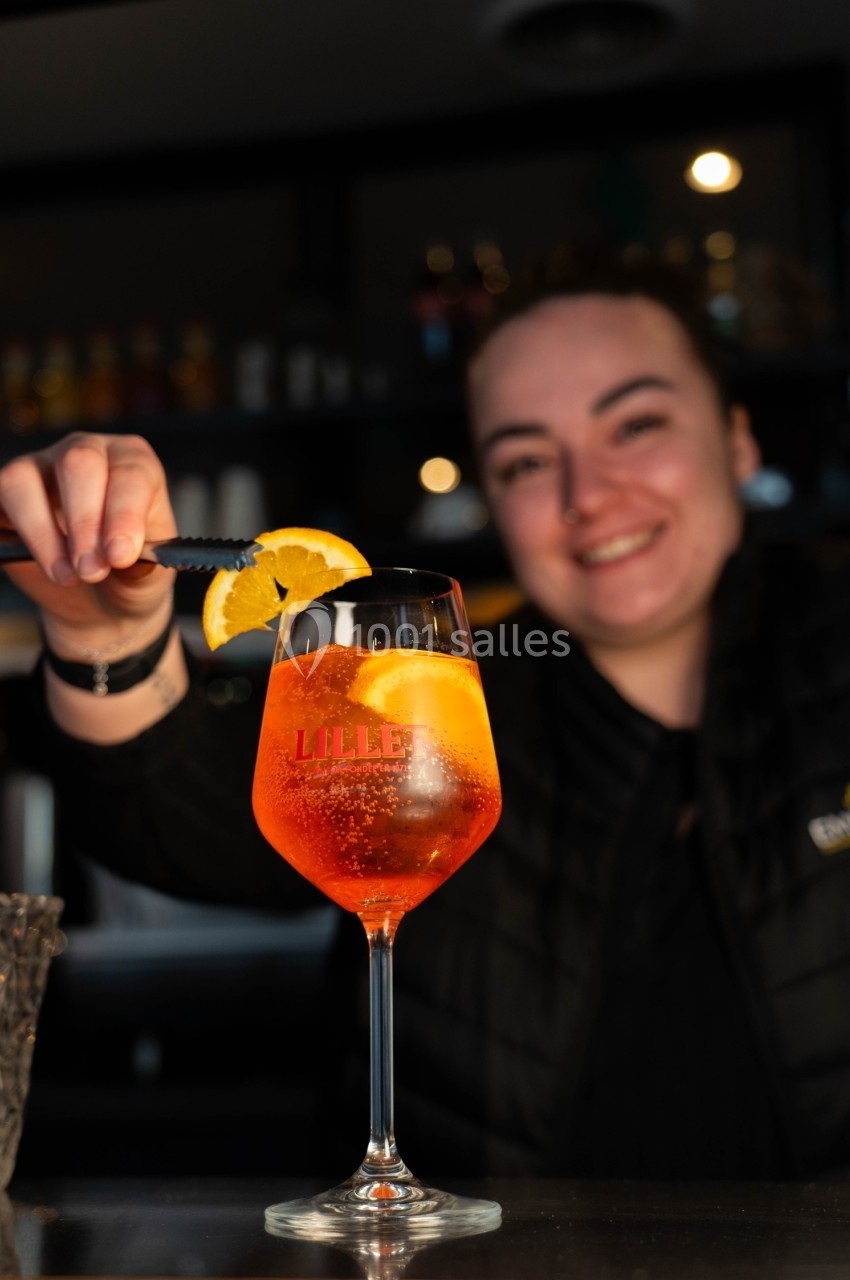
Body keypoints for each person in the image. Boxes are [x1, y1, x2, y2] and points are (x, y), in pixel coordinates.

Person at [3, 245, 850, 1181]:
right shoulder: (436, 692)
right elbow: (175, 820)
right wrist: (103, 632)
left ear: (737, 440)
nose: (589, 495)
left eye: (637, 423)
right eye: (528, 459)